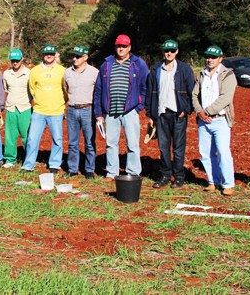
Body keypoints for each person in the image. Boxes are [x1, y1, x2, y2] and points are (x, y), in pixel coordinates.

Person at [93, 34, 148, 181]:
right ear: (115, 47)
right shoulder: (106, 64)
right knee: (111, 144)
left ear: (129, 47)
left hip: (130, 111)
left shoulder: (138, 64)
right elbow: (98, 89)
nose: (121, 48)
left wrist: (139, 107)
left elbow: (145, 86)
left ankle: (133, 172)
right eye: (119, 46)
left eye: (124, 46)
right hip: (110, 112)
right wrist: (99, 113)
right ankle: (112, 173)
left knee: (133, 144)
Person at [145, 39, 195, 188]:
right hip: (161, 114)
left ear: (177, 51)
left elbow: (191, 91)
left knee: (178, 148)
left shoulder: (184, 69)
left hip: (177, 114)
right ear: (163, 52)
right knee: (163, 147)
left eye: (172, 50)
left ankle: (179, 176)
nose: (169, 53)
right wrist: (151, 115)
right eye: (167, 50)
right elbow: (150, 93)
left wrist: (186, 110)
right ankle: (165, 175)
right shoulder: (155, 70)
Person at [191, 45, 237, 196]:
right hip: (203, 120)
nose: (210, 59)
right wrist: (199, 112)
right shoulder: (201, 74)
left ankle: (228, 183)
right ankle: (213, 181)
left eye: (213, 57)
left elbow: (225, 97)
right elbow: (194, 95)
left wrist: (208, 111)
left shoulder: (228, 75)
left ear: (220, 59)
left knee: (223, 152)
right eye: (208, 56)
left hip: (220, 120)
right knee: (205, 152)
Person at [21, 44, 67, 174]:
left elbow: (65, 90)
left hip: (56, 110)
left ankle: (54, 164)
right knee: (32, 139)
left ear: (54, 55)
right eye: (47, 54)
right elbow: (32, 89)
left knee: (57, 139)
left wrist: (60, 102)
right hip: (39, 111)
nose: (49, 56)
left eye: (51, 54)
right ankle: (28, 165)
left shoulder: (62, 70)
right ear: (43, 55)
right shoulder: (35, 71)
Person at [64, 45, 99, 179]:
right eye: (73, 56)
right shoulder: (67, 72)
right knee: (72, 142)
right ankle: (73, 168)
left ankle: (89, 169)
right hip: (72, 109)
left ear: (85, 57)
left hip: (88, 109)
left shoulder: (94, 72)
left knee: (89, 141)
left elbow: (98, 92)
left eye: (78, 56)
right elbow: (65, 89)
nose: (74, 59)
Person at [2, 49, 32, 168]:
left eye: (17, 60)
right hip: (11, 108)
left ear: (22, 59)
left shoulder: (29, 73)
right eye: (13, 60)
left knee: (27, 136)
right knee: (10, 136)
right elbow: (5, 90)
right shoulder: (6, 74)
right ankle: (10, 160)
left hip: (25, 108)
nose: (15, 63)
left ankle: (29, 160)